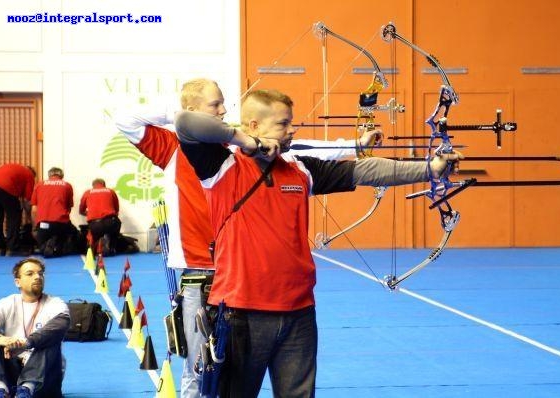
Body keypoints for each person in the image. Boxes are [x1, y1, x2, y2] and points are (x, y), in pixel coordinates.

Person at [174, 88, 463, 397]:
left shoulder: (300, 169)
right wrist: (247, 142)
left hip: (299, 312)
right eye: (283, 124)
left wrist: (429, 169)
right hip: (242, 313)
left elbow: (363, 170)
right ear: (255, 126)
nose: (292, 130)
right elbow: (185, 123)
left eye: (291, 123)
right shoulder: (221, 168)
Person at [114, 78, 382, 398]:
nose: (224, 110)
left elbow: (300, 147)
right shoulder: (175, 147)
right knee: (200, 369)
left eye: (223, 103)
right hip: (201, 274)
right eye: (215, 105)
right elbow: (125, 118)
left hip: (241, 280)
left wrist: (354, 146)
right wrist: (181, 115)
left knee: (231, 375)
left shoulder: (239, 149)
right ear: (192, 110)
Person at [0, 257, 70, 398]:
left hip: (43, 378)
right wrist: (1, 339)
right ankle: (0, 389)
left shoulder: (55, 303)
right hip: (11, 373)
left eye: (40, 273)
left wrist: (26, 343)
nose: (37, 277)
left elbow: (61, 325)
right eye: (30, 274)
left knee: (48, 340)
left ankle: (26, 389)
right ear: (17, 282)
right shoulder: (7, 303)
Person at [30, 167, 77, 257]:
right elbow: (68, 208)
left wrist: (35, 226)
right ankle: (56, 242)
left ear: (49, 175)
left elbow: (34, 210)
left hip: (43, 224)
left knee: (42, 247)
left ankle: (46, 245)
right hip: (60, 223)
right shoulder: (67, 185)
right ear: (61, 175)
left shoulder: (39, 185)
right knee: (71, 233)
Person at [0, 164, 36, 256]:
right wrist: (29, 217)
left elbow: (22, 199)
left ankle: (0, 248)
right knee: (14, 217)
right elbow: (26, 200)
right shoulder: (29, 175)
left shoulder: (14, 168)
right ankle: (12, 248)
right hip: (6, 188)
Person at [78, 178, 121, 256]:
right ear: (104, 185)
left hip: (95, 225)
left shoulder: (87, 192)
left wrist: (90, 214)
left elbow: (81, 210)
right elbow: (116, 210)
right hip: (110, 222)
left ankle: (95, 244)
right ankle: (111, 247)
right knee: (117, 223)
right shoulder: (110, 191)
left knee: (93, 233)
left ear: (93, 185)